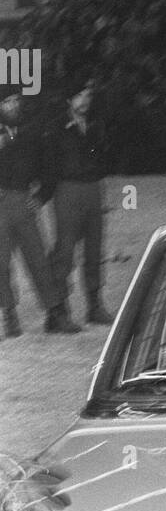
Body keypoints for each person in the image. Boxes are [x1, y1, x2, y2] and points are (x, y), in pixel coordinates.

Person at [0, 85, 77, 338]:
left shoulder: (32, 134)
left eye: (15, 100)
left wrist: (41, 195)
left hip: (24, 202)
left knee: (38, 259)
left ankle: (54, 313)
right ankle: (9, 314)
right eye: (7, 102)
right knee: (1, 263)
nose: (13, 106)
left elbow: (49, 167)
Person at [46, 73, 113, 327]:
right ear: (68, 99)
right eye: (79, 96)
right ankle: (57, 311)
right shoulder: (56, 127)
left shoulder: (96, 123)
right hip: (68, 189)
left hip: (93, 188)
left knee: (95, 248)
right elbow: (48, 162)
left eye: (87, 95)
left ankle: (94, 305)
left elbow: (106, 154)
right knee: (64, 250)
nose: (84, 101)